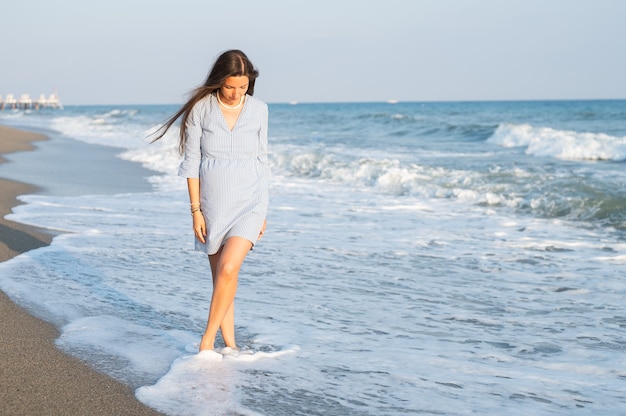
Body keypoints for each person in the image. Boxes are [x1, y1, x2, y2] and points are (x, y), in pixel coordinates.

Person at [152, 50, 269, 351]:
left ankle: (206, 343)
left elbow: (263, 161)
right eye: (230, 86)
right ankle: (231, 346)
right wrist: (196, 211)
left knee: (229, 268)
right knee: (221, 279)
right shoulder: (201, 110)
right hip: (213, 204)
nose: (235, 93)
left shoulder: (259, 110)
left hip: (250, 203)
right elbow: (192, 163)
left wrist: (263, 209)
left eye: (242, 87)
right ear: (219, 81)